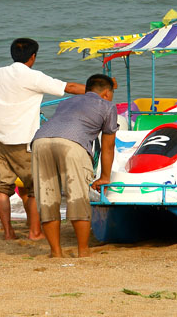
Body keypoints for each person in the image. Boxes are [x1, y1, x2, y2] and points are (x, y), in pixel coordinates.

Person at [0, 38, 86, 240]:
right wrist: (98, 91)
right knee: (33, 188)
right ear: (33, 57)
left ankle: (8, 233)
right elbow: (70, 87)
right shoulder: (33, 77)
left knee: (2, 187)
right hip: (22, 140)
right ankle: (34, 232)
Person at [32, 74, 117, 258]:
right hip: (72, 144)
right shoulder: (108, 106)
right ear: (105, 93)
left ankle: (55, 252)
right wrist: (105, 176)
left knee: (48, 199)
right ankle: (83, 251)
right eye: (111, 93)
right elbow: (108, 146)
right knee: (77, 199)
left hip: (40, 141)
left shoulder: (67, 102)